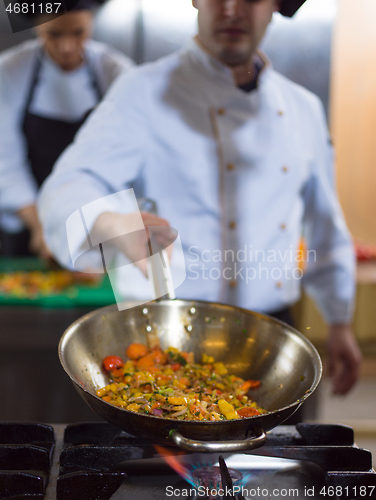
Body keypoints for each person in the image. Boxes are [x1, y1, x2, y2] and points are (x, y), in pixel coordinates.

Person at [38, 0, 362, 399]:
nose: (231, 9)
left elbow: (324, 222)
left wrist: (340, 320)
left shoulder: (302, 109)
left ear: (277, 5)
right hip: (166, 337)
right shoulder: (142, 91)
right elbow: (69, 183)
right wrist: (110, 222)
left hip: (273, 340)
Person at [0, 0, 134, 257]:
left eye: (78, 32)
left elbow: (124, 158)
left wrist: (102, 223)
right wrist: (41, 227)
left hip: (99, 223)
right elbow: (5, 160)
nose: (67, 46)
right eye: (54, 34)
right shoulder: (9, 70)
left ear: (92, 23)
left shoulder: (116, 72)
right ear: (37, 27)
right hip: (29, 222)